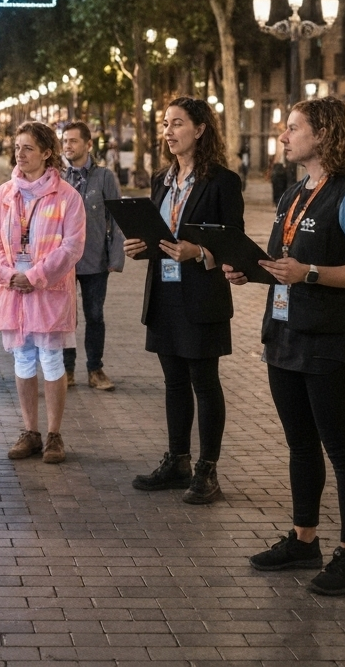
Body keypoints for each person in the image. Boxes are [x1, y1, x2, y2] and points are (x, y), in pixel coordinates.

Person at [227, 96, 345, 595]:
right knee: (300, 445)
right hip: (285, 337)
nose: (284, 136)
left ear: (323, 133)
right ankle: (304, 538)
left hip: (330, 343)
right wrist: (245, 271)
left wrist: (310, 273)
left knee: (341, 448)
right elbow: (281, 263)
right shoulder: (294, 193)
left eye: (292, 128)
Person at [123, 96, 243, 505]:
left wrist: (201, 253)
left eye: (177, 123)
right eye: (165, 124)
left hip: (201, 295)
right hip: (164, 293)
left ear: (201, 129)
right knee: (173, 382)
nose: (168, 132)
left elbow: (234, 242)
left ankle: (207, 470)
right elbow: (162, 236)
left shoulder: (223, 182)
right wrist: (142, 246)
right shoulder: (162, 180)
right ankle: (178, 461)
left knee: (204, 383)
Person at [0, 122, 85, 464]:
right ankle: (30, 431)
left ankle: (54, 434)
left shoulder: (67, 197)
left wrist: (37, 276)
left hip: (48, 293)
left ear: (46, 153)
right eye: (17, 147)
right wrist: (7, 274)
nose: (20, 154)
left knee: (52, 359)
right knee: (23, 358)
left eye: (28, 148)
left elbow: (71, 247)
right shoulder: (4, 195)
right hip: (12, 291)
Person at [59, 121, 124, 390]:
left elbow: (118, 219)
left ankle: (95, 369)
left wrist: (115, 258)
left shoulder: (105, 177)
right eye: (65, 141)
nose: (67, 146)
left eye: (73, 141)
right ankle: (66, 370)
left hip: (95, 259)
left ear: (88, 144)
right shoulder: (58, 177)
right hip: (62, 263)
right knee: (65, 317)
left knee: (94, 315)